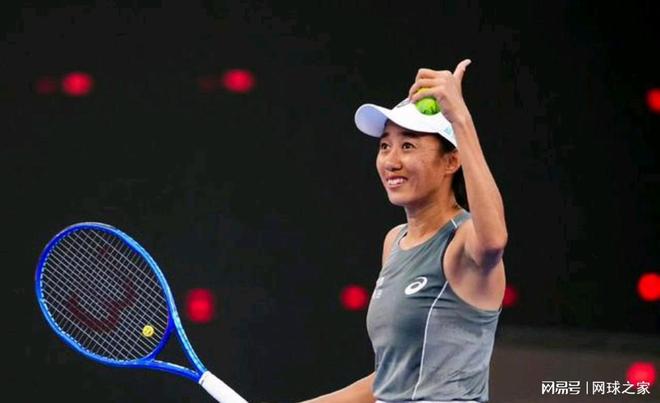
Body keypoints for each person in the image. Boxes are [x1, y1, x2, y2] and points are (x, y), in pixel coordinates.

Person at [301, 59, 507, 403]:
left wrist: (460, 118)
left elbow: (495, 239)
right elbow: (390, 380)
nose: (391, 161)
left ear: (451, 161)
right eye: (385, 145)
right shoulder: (394, 241)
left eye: (408, 145)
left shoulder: (464, 241)